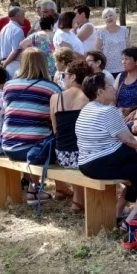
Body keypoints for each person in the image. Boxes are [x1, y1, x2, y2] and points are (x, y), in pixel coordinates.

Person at [77, 72, 137, 232]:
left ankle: (118, 213)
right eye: (110, 86)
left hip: (86, 164)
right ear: (100, 92)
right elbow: (129, 140)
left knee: (135, 171)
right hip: (101, 164)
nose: (114, 88)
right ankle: (129, 221)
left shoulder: (86, 110)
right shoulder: (108, 112)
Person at [2, 48, 62, 204]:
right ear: (44, 64)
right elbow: (57, 118)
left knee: (37, 138)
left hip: (8, 146)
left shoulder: (9, 85)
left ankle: (34, 188)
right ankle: (41, 189)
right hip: (32, 149)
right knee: (49, 140)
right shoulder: (51, 88)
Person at [50, 60, 91, 212]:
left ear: (73, 77)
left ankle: (78, 200)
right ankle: (79, 200)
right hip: (83, 155)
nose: (63, 78)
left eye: (64, 75)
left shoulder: (55, 98)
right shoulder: (89, 98)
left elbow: (55, 130)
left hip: (61, 154)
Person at [94, 7, 130, 77]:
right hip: (107, 66)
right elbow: (97, 50)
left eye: (111, 15)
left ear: (115, 17)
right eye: (106, 17)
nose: (108, 18)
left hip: (123, 65)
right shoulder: (100, 32)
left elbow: (128, 47)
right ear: (104, 19)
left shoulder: (124, 30)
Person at [115, 47, 137, 118]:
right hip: (119, 113)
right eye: (122, 59)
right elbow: (113, 97)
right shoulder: (121, 76)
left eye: (126, 59)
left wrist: (133, 110)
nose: (123, 62)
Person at [0, 6, 27, 75]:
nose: (24, 17)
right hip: (13, 65)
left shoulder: (4, 28)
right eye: (23, 15)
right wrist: (5, 63)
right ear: (17, 15)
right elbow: (15, 51)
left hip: (3, 62)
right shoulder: (17, 30)